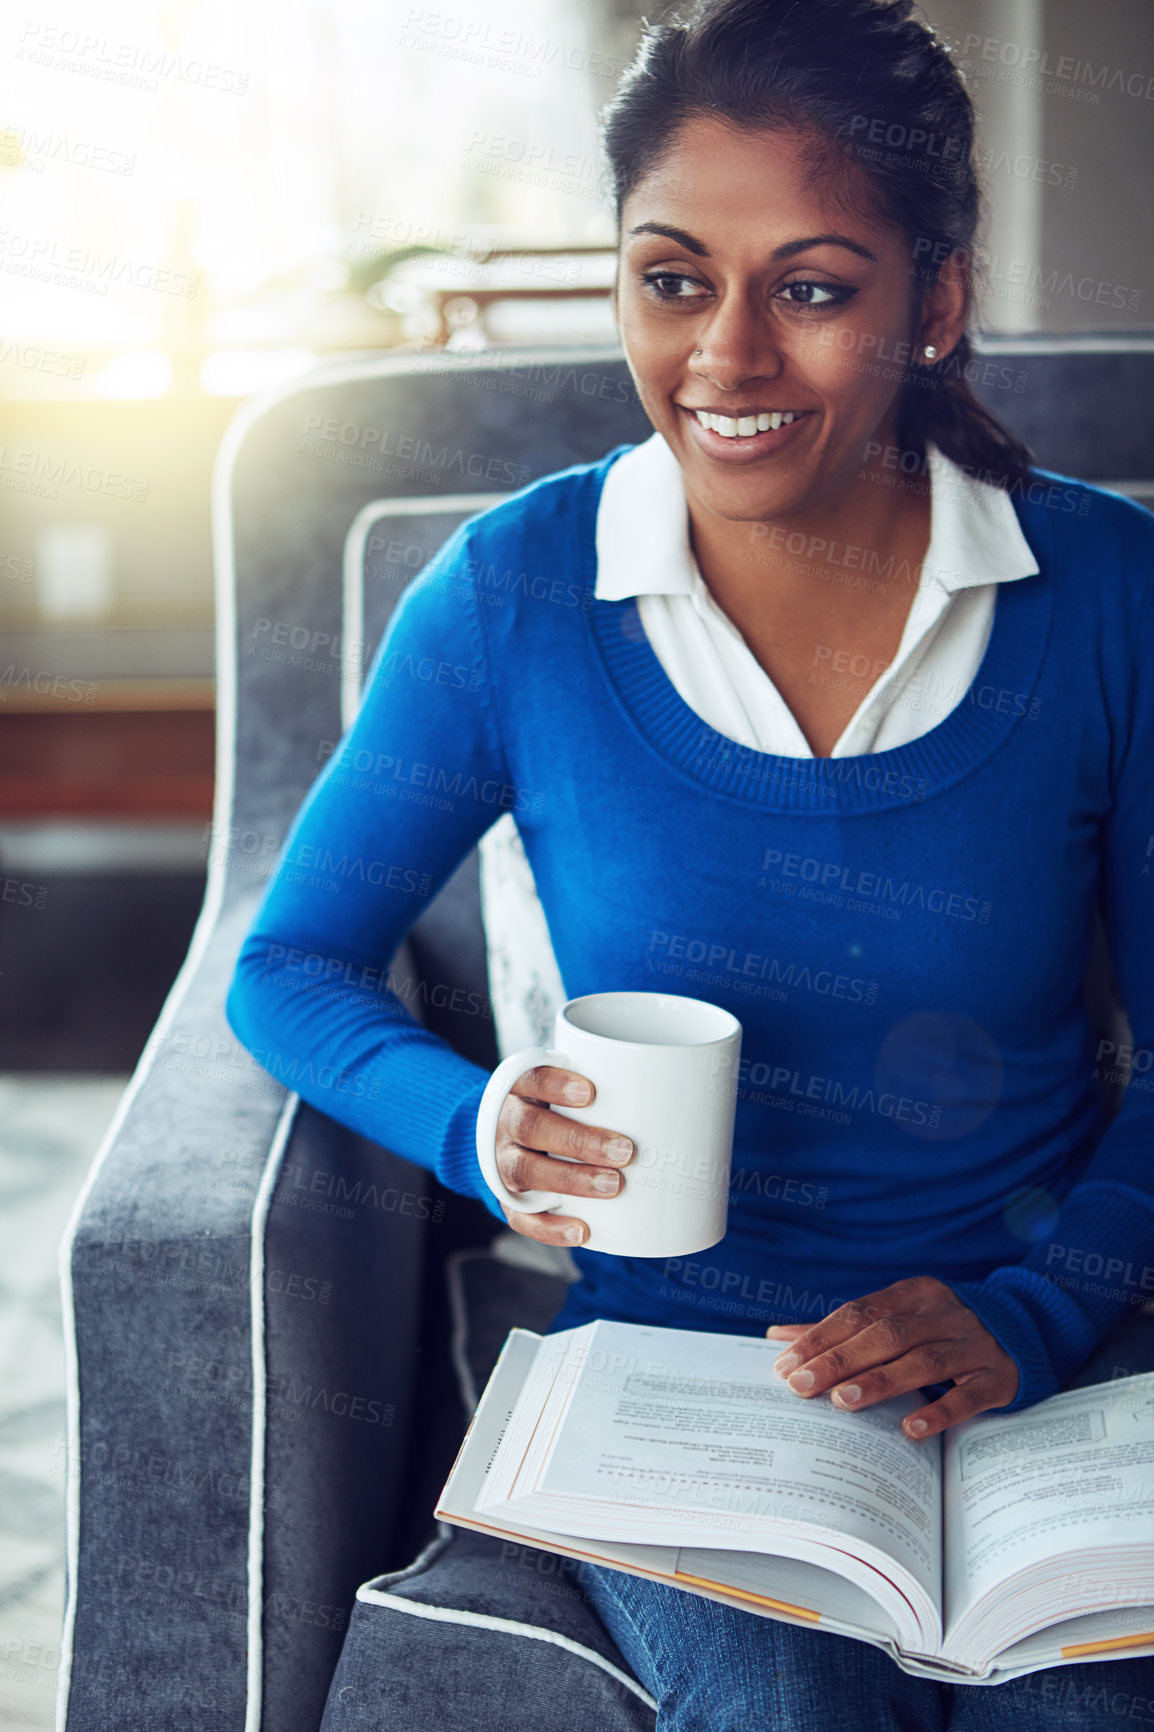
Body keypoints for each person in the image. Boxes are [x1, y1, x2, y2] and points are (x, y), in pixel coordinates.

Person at [226, 0, 1154, 1722]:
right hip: (681, 1385)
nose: (723, 357)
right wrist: (474, 1125)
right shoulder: (512, 596)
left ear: (933, 303)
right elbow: (286, 966)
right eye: (670, 279)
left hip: (1056, 1349)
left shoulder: (1108, 597)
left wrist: (1031, 1308)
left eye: (809, 287)